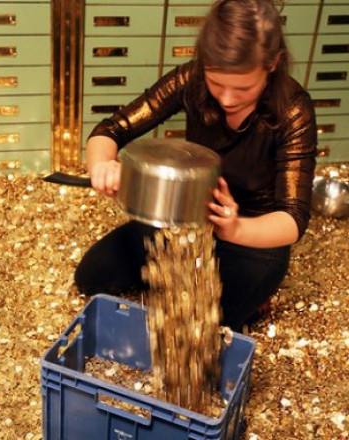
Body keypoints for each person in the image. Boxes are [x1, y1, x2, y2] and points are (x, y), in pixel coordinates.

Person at [74, 0, 317, 332]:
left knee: (195, 327)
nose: (227, 99)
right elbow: (111, 130)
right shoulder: (193, 78)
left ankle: (247, 296)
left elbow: (293, 218)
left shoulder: (293, 110)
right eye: (217, 84)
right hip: (186, 217)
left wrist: (235, 228)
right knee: (92, 277)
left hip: (253, 236)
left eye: (243, 88)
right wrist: (102, 165)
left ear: (272, 64)